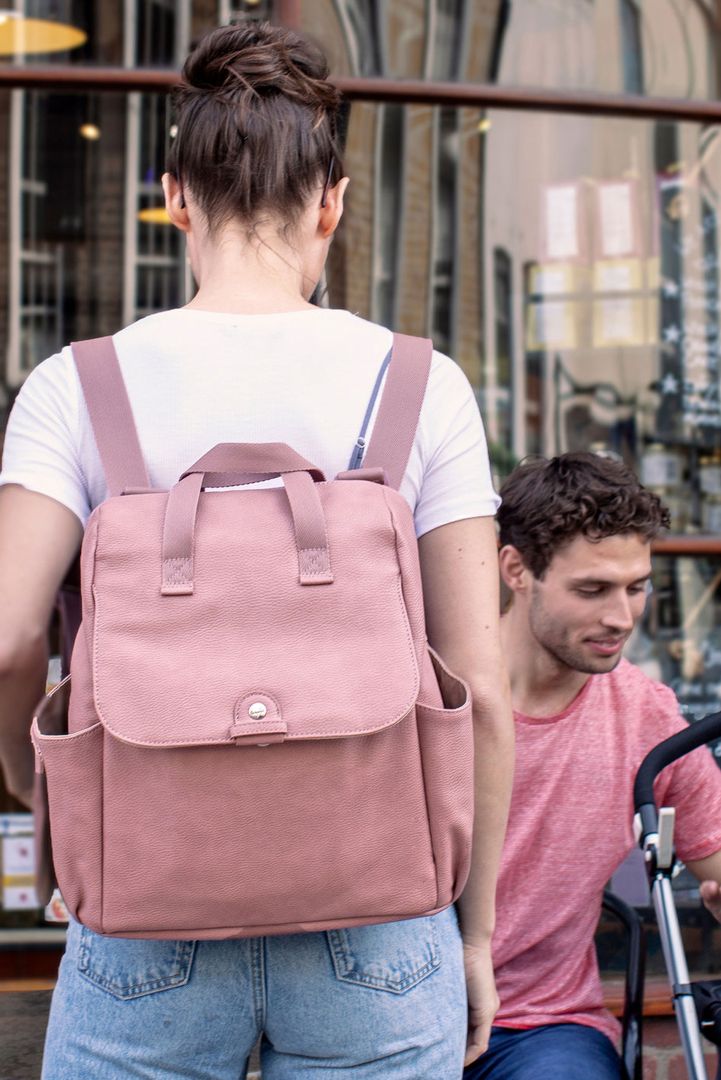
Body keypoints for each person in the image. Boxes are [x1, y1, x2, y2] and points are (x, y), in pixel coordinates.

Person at [0, 20, 513, 1080]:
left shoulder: (77, 385)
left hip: (148, 897)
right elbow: (484, 691)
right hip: (379, 913)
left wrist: (33, 781)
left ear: (175, 196)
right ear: (332, 203)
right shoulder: (421, 385)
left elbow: (7, 640)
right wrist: (472, 934)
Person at [464, 452, 721, 1080]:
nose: (622, 618)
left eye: (636, 587)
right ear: (516, 569)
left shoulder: (648, 718)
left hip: (542, 1029)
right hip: (397, 1008)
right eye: (592, 590)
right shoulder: (432, 692)